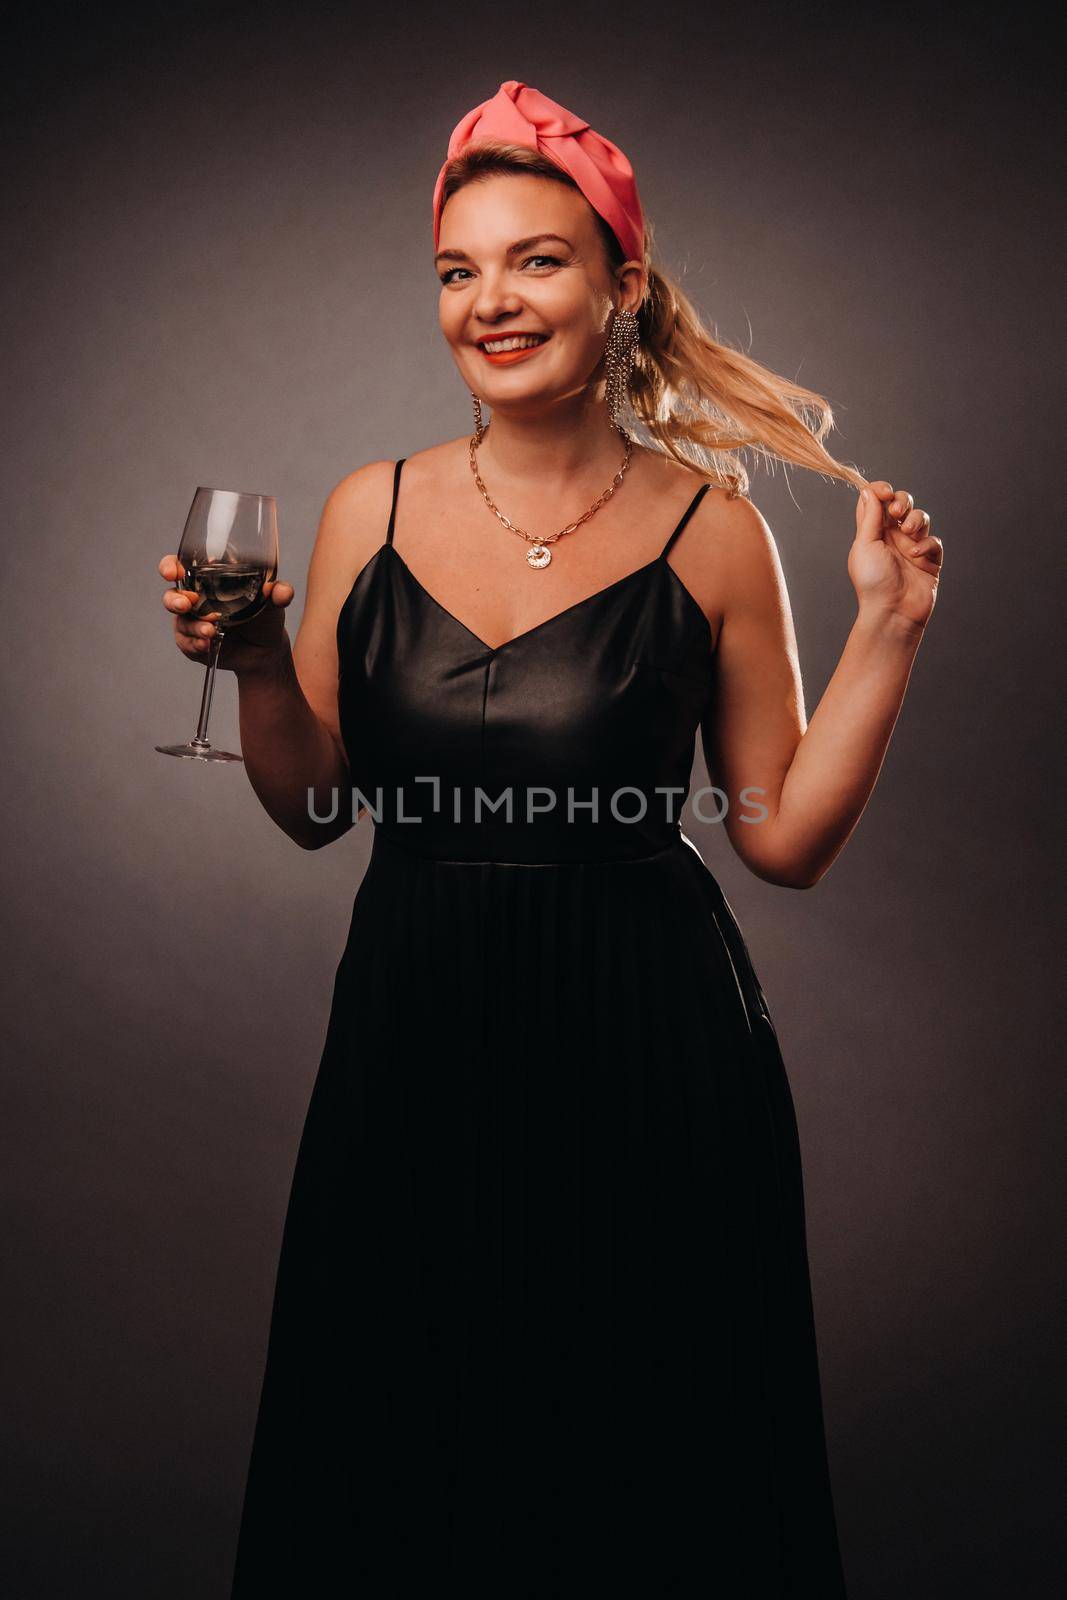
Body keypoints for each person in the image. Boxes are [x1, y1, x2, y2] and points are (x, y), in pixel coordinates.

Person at [159, 80, 942, 1598]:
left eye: (536, 260)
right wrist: (255, 665)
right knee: (396, 1456)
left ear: (619, 285)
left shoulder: (713, 528)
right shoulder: (363, 511)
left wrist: (892, 631)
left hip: (651, 1050)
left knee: (645, 1474)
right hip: (415, 1029)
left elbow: (780, 840)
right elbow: (317, 811)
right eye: (458, 270)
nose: (490, 302)